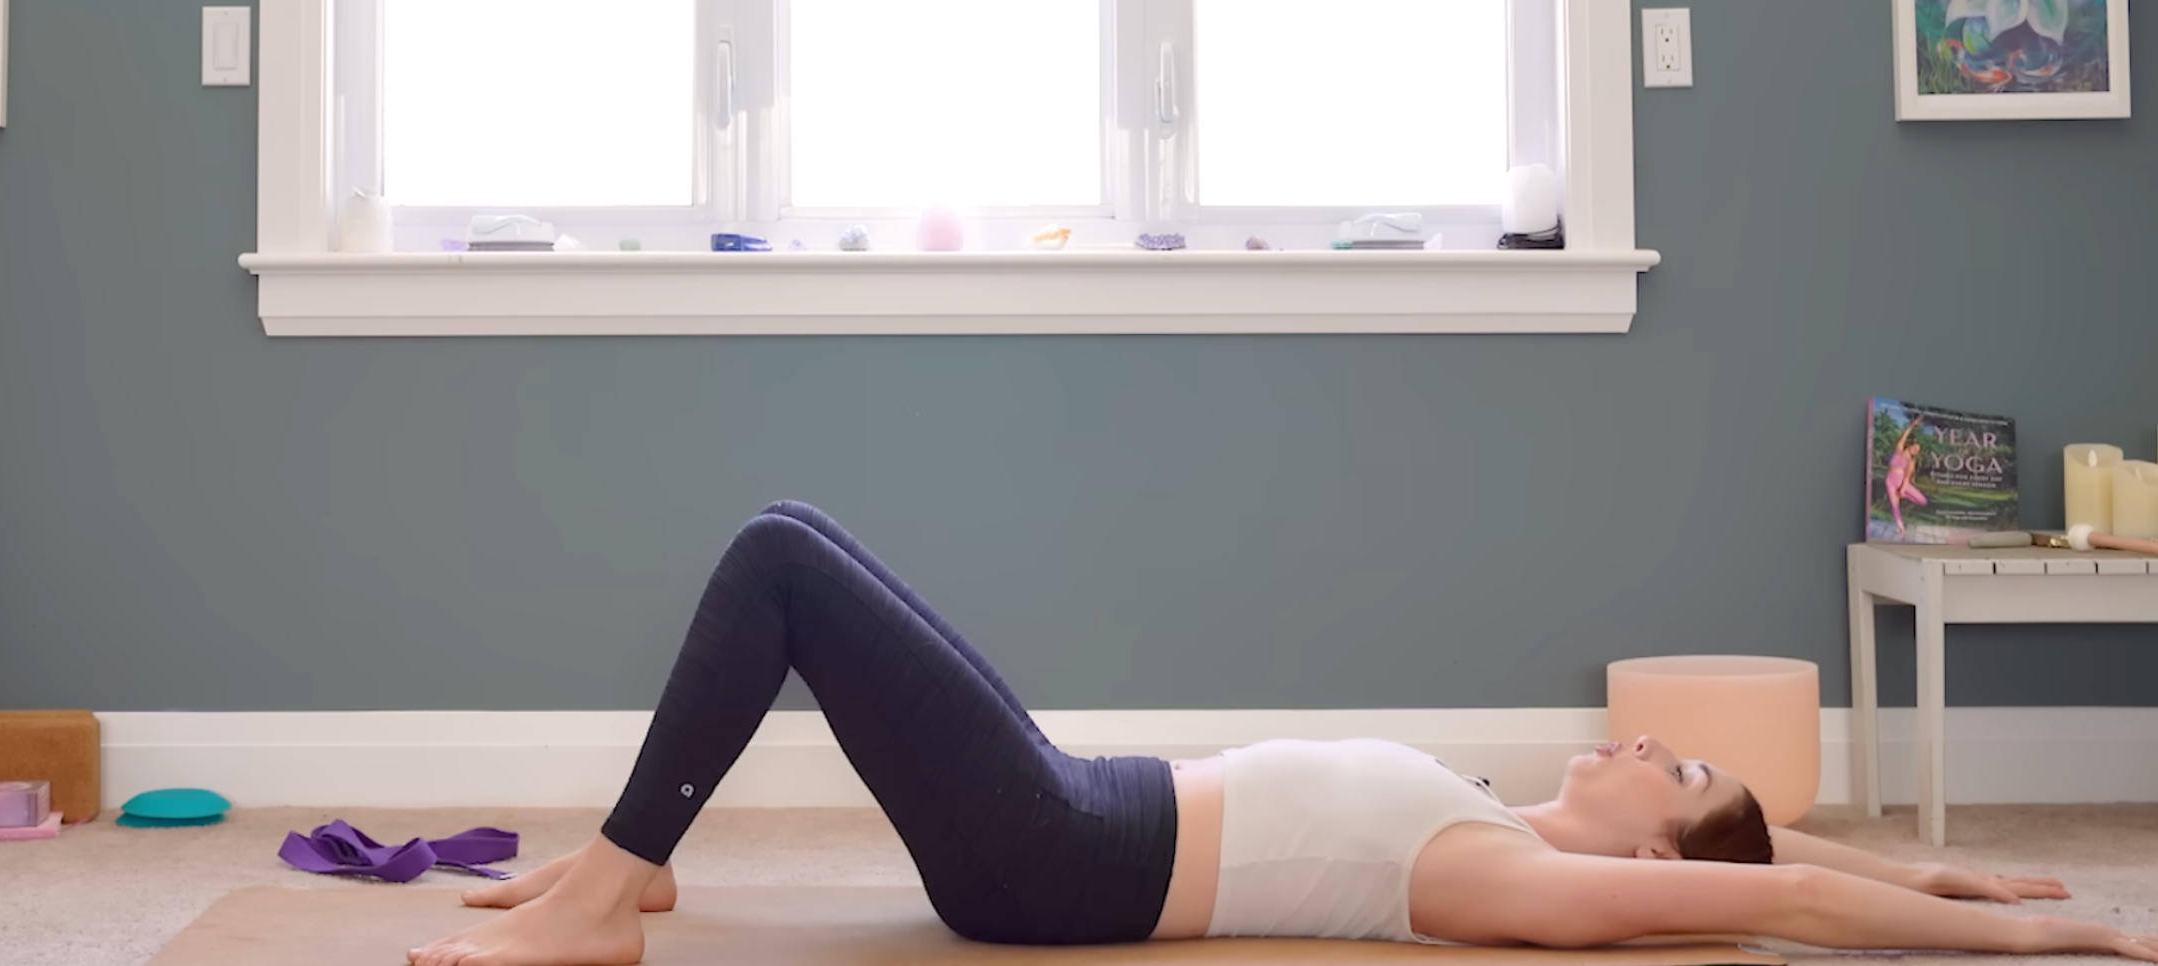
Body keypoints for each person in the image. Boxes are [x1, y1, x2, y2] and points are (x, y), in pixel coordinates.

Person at [409, 503, 2152, 966]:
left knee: (776, 561)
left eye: (1680, 776)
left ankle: (612, 890)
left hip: (1059, 858)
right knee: (792, 522)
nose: (1652, 745)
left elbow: (1779, 903)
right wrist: (1961, 864)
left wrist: (2057, 928)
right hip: (1080, 795)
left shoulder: (1521, 884)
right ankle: (620, 867)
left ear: (1643, 852)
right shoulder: (1506, 818)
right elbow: (1803, 862)